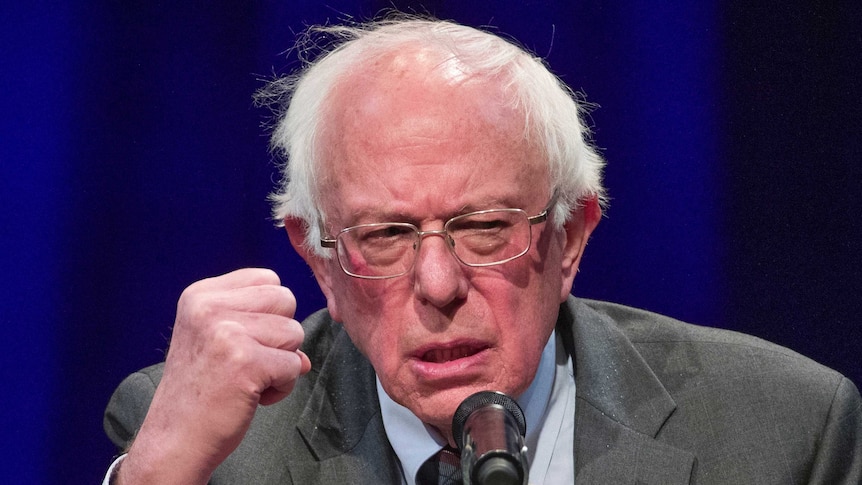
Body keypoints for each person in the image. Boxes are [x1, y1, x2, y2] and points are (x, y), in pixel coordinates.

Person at [103, 16, 862, 484]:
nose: (438, 283)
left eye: (485, 227)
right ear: (319, 261)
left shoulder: (783, 431)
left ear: (571, 238)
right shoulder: (209, 447)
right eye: (385, 235)